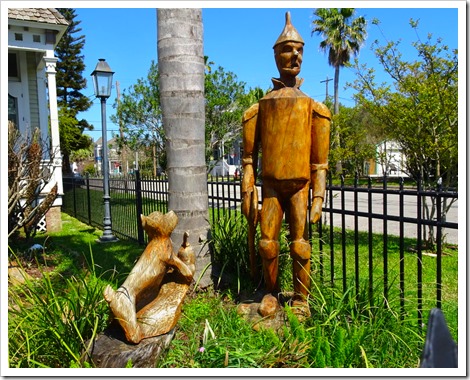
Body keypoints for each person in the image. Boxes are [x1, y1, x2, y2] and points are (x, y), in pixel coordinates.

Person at [241, 11, 331, 316]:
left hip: (299, 187)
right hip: (270, 188)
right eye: (287, 49)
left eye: (299, 50)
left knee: (300, 244)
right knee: (267, 243)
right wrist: (247, 190)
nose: (294, 56)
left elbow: (320, 163)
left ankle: (301, 299)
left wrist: (318, 197)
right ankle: (270, 292)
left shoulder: (314, 108)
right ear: (275, 55)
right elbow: (248, 158)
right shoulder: (260, 108)